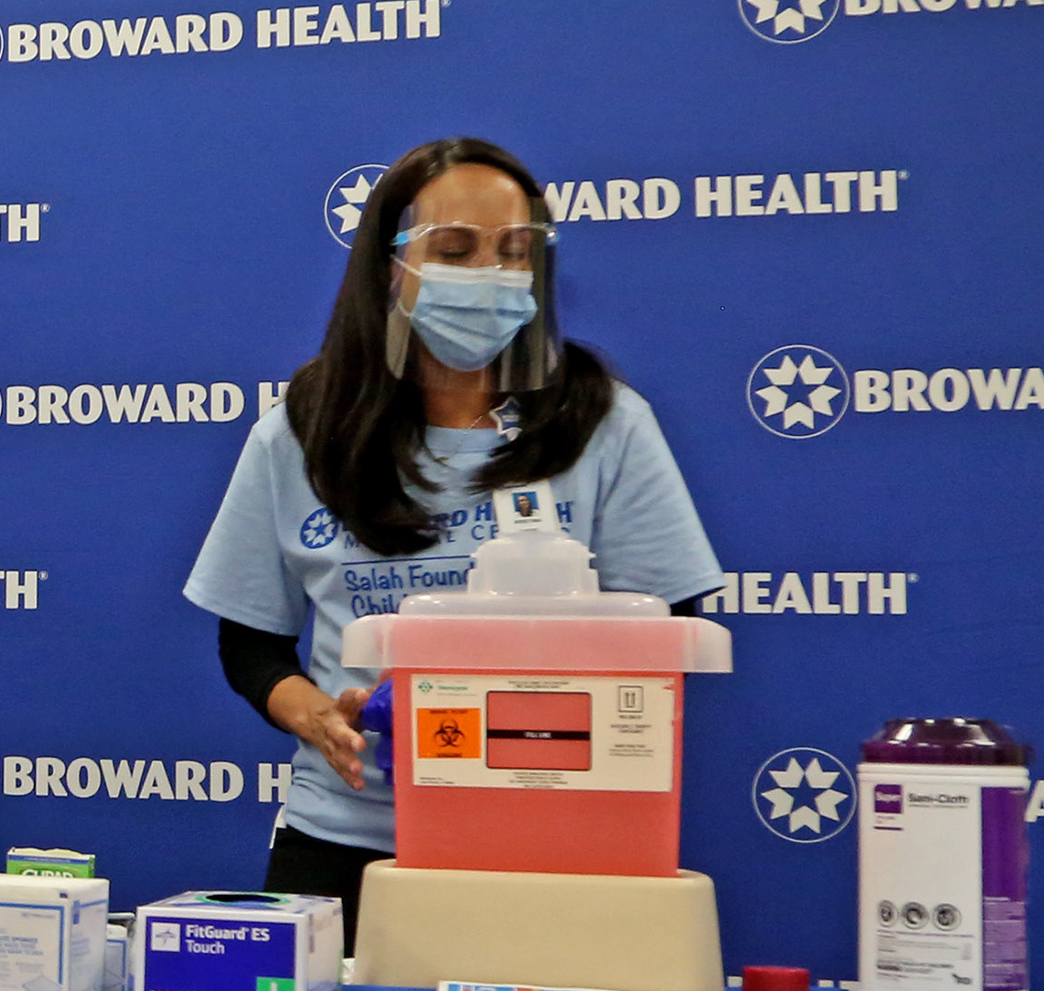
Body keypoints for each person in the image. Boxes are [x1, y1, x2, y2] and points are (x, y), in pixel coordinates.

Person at [183, 136, 721, 937]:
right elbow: (250, 645)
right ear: (389, 268)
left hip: (560, 842)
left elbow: (665, 630)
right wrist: (321, 716)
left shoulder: (603, 421)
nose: (490, 276)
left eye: (513, 253)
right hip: (347, 843)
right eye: (456, 251)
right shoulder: (304, 430)